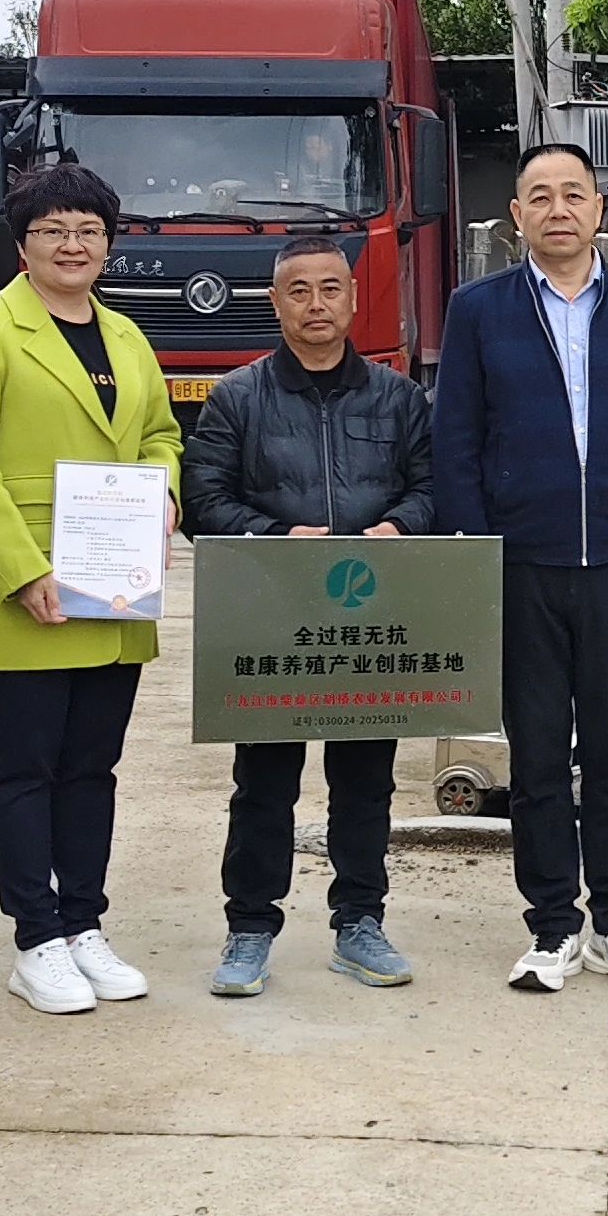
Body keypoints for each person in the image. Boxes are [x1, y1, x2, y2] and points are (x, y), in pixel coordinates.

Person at [432, 141, 608, 995]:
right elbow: (456, 443)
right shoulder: (480, 310)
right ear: (517, 216)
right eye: (539, 196)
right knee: (539, 756)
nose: (558, 209)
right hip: (523, 565)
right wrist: (476, 555)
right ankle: (552, 925)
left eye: (573, 194)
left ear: (599, 209)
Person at [0, 161, 186, 1016]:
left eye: (88, 231)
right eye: (53, 231)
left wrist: (164, 496)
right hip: (29, 588)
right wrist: (21, 570)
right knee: (26, 765)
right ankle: (35, 938)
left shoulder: (127, 336)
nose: (72, 245)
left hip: (114, 587)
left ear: (108, 245)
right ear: (23, 243)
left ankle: (83, 924)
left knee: (91, 768)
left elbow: (160, 434)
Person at [180, 234, 429, 997]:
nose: (316, 305)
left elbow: (433, 485)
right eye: (299, 290)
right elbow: (204, 499)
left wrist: (400, 526)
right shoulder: (237, 398)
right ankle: (250, 927)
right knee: (263, 782)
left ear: (353, 298)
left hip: (369, 615)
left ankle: (360, 922)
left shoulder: (398, 398)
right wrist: (277, 536)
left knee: (366, 781)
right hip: (271, 614)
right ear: (275, 303)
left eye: (330, 288)